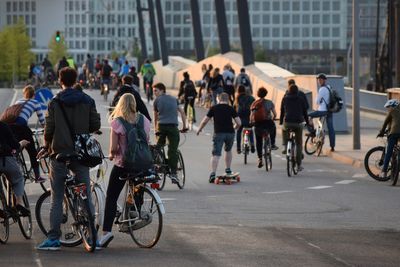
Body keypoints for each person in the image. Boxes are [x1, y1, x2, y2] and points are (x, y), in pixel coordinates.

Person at [36, 67, 101, 250]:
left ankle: (54, 238)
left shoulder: (55, 102)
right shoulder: (88, 100)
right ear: (76, 80)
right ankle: (92, 234)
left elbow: (49, 129)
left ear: (60, 80)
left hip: (60, 153)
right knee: (86, 194)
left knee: (57, 197)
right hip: (81, 154)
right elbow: (95, 124)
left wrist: (45, 146)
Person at [98, 93, 152, 248]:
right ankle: (134, 212)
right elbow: (147, 141)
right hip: (142, 164)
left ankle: (106, 233)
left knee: (111, 198)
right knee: (137, 185)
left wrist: (110, 155)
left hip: (124, 165)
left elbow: (114, 149)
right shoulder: (144, 120)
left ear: (120, 105)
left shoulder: (117, 123)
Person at [196, 93, 241, 183]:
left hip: (219, 133)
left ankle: (213, 174)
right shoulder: (231, 108)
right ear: (228, 99)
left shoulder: (214, 108)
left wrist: (199, 129)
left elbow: (205, 121)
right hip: (230, 133)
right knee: (228, 150)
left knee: (216, 154)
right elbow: (239, 123)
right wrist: (234, 128)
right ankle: (228, 169)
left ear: (218, 99)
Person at [8, 85, 46, 183]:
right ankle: (37, 177)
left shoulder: (18, 102)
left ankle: (13, 158)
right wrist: (46, 130)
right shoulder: (35, 102)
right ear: (34, 94)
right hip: (21, 127)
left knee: (15, 146)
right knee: (32, 151)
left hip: (9, 126)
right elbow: (42, 120)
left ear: (24, 94)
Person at [153, 83, 187, 183]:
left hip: (161, 127)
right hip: (173, 127)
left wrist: (156, 129)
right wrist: (184, 126)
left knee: (158, 147)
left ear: (162, 90)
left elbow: (155, 117)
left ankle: (159, 165)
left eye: (156, 90)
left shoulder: (156, 101)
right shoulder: (174, 99)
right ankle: (173, 173)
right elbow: (182, 112)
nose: (154, 93)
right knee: (173, 150)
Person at [0, 121, 31, 217]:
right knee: (18, 179)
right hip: (6, 160)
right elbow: (15, 145)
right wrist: (21, 143)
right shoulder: (3, 126)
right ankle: (19, 202)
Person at [280, 84, 310, 171]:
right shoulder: (300, 99)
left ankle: (285, 146)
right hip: (298, 123)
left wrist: (281, 121)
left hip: (288, 122)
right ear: (297, 91)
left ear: (289, 91)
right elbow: (305, 112)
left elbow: (282, 111)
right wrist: (307, 122)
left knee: (284, 129)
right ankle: (299, 165)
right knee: (298, 143)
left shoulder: (285, 98)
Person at [250, 87, 278, 168]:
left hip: (258, 124)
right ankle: (272, 143)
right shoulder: (270, 103)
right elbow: (275, 114)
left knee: (259, 141)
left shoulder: (254, 103)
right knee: (273, 128)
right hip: (268, 123)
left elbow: (251, 115)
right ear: (266, 93)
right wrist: (272, 118)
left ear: (258, 94)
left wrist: (251, 121)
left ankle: (260, 159)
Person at [308, 73, 335, 152]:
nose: (319, 81)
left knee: (308, 116)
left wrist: (320, 101)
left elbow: (317, 102)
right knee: (331, 128)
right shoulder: (329, 87)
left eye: (321, 80)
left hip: (322, 111)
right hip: (329, 111)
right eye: (318, 80)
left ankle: (312, 134)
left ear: (324, 80)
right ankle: (332, 146)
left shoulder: (322, 89)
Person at [377, 99, 400, 178]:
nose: (388, 109)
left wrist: (381, 132)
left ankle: (384, 171)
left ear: (392, 106)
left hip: (393, 133)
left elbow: (385, 123)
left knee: (389, 152)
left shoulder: (392, 111)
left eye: (388, 107)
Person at [234, 85, 255, 154]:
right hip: (249, 117)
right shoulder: (251, 98)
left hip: (240, 118)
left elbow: (234, 109)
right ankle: (252, 144)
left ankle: (238, 148)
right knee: (250, 130)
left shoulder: (237, 98)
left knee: (239, 131)